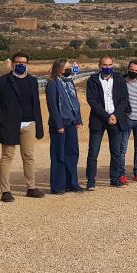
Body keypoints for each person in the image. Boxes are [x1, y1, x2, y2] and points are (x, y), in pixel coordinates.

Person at [0, 52, 45, 202]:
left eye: (24, 62)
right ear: (12, 64)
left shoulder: (33, 81)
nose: (21, 65)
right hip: (9, 124)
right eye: (18, 62)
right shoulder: (2, 81)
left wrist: (38, 124)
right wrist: (4, 115)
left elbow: (36, 104)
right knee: (7, 157)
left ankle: (31, 187)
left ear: (27, 64)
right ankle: (5, 191)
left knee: (29, 156)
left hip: (29, 124)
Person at [86, 56, 130, 189]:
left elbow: (124, 99)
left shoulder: (119, 79)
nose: (107, 67)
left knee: (116, 151)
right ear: (99, 66)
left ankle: (115, 178)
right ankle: (91, 181)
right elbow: (92, 100)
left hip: (116, 119)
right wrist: (107, 116)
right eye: (105, 65)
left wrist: (115, 115)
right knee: (93, 152)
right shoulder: (92, 80)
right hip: (99, 120)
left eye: (110, 64)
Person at [45, 58, 83, 195]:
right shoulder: (52, 84)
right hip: (59, 124)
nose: (69, 69)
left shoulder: (70, 82)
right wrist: (58, 124)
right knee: (58, 155)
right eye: (67, 67)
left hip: (71, 122)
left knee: (72, 153)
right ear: (59, 69)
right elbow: (52, 106)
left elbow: (75, 102)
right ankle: (58, 186)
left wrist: (78, 119)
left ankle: (72, 183)